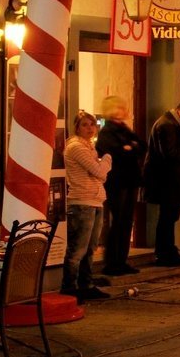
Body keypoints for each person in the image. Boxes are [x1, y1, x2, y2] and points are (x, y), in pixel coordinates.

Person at [61, 112, 110, 301]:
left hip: (95, 201)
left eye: (92, 124)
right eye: (84, 125)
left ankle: (86, 285)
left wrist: (101, 167)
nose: (90, 128)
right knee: (77, 250)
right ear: (76, 127)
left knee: (90, 249)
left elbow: (100, 175)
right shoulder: (76, 147)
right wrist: (107, 159)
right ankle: (69, 288)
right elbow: (99, 171)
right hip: (82, 202)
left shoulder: (89, 147)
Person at [143, 100, 180, 266]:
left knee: (170, 216)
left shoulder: (170, 123)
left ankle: (169, 251)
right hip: (167, 181)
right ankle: (164, 253)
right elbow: (169, 152)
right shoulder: (167, 125)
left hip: (170, 181)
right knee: (167, 217)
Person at [97, 99, 145, 276]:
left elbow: (142, 146)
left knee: (126, 221)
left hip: (130, 179)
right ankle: (112, 262)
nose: (123, 110)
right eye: (119, 107)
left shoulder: (125, 129)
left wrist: (130, 147)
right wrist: (130, 148)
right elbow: (114, 152)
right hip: (117, 181)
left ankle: (122, 260)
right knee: (117, 221)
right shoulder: (107, 132)